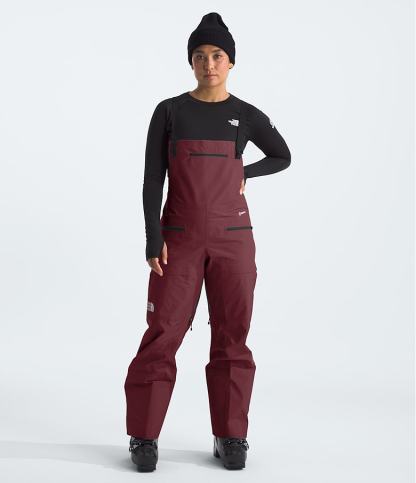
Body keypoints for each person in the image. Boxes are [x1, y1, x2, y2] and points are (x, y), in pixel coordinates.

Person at [124, 12, 291, 472]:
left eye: (217, 55)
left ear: (231, 62)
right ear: (191, 62)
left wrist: (244, 171)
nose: (209, 64)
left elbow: (282, 155)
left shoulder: (247, 115)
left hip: (233, 240)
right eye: (200, 56)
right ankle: (143, 435)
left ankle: (230, 435)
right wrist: (152, 237)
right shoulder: (170, 111)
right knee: (163, 333)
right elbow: (152, 179)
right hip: (177, 239)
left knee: (233, 335)